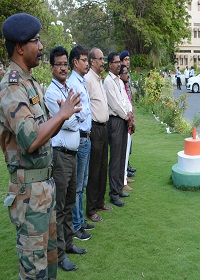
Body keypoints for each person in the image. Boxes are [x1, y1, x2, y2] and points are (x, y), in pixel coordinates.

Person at [0, 13, 81, 278]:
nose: (42, 46)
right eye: (36, 41)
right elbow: (31, 139)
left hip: (44, 188)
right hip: (29, 193)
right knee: (34, 269)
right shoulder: (12, 87)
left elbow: (43, 132)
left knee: (49, 262)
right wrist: (62, 115)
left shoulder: (30, 83)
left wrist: (60, 116)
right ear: (20, 47)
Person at [45, 46, 89, 271]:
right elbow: (70, 122)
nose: (62, 67)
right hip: (60, 156)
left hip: (72, 155)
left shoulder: (68, 89)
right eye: (59, 64)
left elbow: (76, 116)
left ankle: (69, 244)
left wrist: (71, 115)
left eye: (64, 64)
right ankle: (60, 254)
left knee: (70, 202)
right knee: (60, 207)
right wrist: (71, 115)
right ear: (51, 67)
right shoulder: (51, 93)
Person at [67, 45, 93, 242]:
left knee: (82, 184)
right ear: (75, 62)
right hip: (81, 137)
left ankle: (80, 219)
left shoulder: (81, 81)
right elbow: (78, 111)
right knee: (77, 186)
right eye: (84, 60)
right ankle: (76, 226)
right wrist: (81, 111)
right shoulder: (73, 84)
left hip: (87, 136)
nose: (87, 63)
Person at [85, 48, 113, 222]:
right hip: (95, 128)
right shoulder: (88, 79)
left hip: (104, 128)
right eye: (100, 59)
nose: (103, 61)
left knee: (103, 167)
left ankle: (100, 201)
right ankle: (91, 208)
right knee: (94, 170)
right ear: (92, 61)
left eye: (103, 58)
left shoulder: (98, 79)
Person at [104, 52, 132, 207]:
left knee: (122, 156)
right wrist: (126, 116)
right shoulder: (108, 82)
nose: (118, 65)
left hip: (123, 119)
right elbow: (114, 104)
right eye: (115, 62)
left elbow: (125, 100)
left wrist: (128, 114)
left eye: (118, 62)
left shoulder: (119, 81)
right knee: (115, 158)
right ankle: (113, 193)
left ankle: (119, 187)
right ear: (110, 64)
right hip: (115, 120)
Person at [120, 50, 136, 177]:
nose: (127, 61)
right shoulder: (119, 79)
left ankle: (126, 167)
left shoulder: (126, 76)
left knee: (128, 146)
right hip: (124, 118)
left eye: (128, 59)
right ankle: (124, 171)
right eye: (125, 59)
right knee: (124, 147)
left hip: (130, 116)